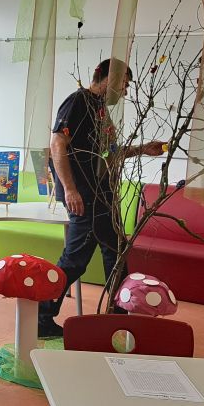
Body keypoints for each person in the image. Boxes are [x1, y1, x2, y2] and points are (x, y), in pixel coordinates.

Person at [38, 59, 164, 337]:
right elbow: (57, 144)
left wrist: (143, 149)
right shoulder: (78, 102)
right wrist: (70, 189)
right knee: (77, 259)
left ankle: (117, 316)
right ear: (107, 78)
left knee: (115, 253)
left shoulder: (101, 110)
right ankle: (42, 315)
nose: (125, 91)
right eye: (123, 84)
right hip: (85, 196)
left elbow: (109, 154)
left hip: (102, 195)